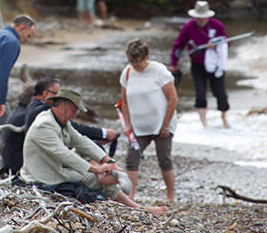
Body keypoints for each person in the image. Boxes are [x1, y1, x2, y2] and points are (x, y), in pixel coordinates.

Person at [20, 88, 167, 214]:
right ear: (63, 105)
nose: (75, 114)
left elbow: (81, 141)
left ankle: (132, 201)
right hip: (42, 176)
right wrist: (96, 169)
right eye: (73, 110)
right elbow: (64, 155)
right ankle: (136, 206)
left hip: (55, 169)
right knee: (98, 177)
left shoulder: (61, 121)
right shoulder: (44, 125)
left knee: (100, 172)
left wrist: (107, 160)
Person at [119, 38, 178, 203]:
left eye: (137, 62)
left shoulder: (159, 71)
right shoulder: (128, 72)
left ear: (146, 57)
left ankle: (170, 196)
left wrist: (165, 125)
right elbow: (124, 100)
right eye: (131, 61)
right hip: (138, 126)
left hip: (162, 125)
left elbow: (173, 99)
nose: (134, 65)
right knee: (131, 158)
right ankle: (130, 196)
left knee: (164, 158)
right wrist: (128, 124)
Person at [169, 0, 230, 128]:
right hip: (197, 65)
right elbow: (178, 45)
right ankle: (204, 123)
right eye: (198, 17)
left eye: (203, 17)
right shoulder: (189, 26)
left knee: (220, 93)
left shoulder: (217, 26)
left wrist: (216, 45)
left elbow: (226, 43)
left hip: (215, 65)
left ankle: (224, 118)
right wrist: (173, 64)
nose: (200, 20)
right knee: (200, 93)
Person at [25, 78, 118, 148]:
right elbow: (73, 127)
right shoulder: (44, 109)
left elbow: (71, 131)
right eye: (57, 94)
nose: (59, 97)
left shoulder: (33, 106)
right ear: (45, 93)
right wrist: (103, 133)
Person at [0, 83, 35, 175]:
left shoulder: (18, 111)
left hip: (9, 162)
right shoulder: (25, 116)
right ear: (33, 99)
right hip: (16, 166)